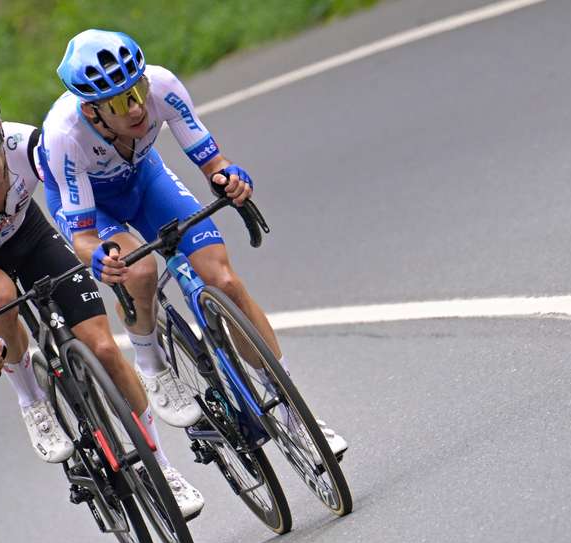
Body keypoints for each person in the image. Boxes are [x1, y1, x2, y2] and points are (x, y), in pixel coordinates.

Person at [39, 30, 347, 457]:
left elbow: (213, 162)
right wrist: (102, 261)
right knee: (139, 270)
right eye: (118, 103)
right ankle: (150, 361)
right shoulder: (63, 137)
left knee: (224, 281)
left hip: (145, 179)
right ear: (92, 113)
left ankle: (297, 412)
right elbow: (85, 237)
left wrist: (230, 179)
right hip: (94, 208)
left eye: (137, 91)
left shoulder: (162, 85)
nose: (135, 109)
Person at [0, 80, 204, 517]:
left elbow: (72, 205)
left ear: (0, 132)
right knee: (0, 296)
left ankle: (162, 467)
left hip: (30, 235)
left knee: (104, 347)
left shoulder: (28, 144)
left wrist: (98, 252)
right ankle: (31, 398)